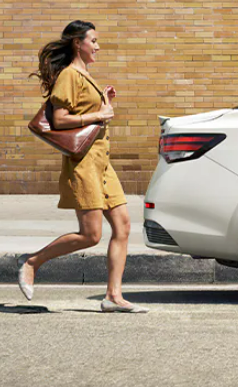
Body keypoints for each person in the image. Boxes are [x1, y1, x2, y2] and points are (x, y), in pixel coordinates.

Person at [20, 20, 149, 313]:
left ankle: (113, 297)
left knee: (124, 226)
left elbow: (88, 112)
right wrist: (97, 115)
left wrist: (102, 102)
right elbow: (59, 120)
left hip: (102, 162)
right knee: (90, 235)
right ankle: (31, 262)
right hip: (84, 163)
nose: (98, 46)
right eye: (93, 40)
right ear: (78, 43)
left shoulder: (84, 74)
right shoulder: (69, 75)